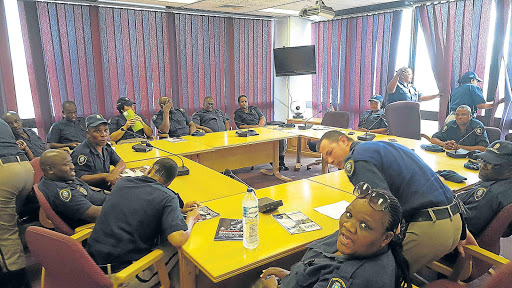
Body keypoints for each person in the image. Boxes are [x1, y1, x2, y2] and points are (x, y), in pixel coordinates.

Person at [317, 130, 464, 274]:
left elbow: (381, 207)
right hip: (454, 225)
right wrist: (464, 233)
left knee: (369, 275)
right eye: (325, 158)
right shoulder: (380, 147)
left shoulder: (357, 159)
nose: (330, 161)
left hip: (430, 230)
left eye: (330, 153)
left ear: (343, 141)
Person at [259, 188, 410, 288]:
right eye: (349, 215)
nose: (349, 226)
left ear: (386, 238)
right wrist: (294, 277)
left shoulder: (347, 279)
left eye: (364, 225)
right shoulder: (358, 242)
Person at [86, 158, 201, 288]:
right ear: (169, 183)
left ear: (150, 169)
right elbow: (178, 239)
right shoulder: (168, 197)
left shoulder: (122, 183)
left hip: (91, 267)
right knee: (177, 248)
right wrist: (190, 219)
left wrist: (179, 210)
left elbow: (139, 205)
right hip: (122, 276)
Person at [0, 118, 34, 288]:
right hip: (24, 168)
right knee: (12, 224)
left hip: (4, 171)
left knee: (4, 233)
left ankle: (17, 283)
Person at [38, 149, 108, 229]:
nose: (73, 167)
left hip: (108, 204)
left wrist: (116, 194)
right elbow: (96, 215)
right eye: (67, 164)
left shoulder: (62, 177)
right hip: (102, 225)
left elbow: (90, 189)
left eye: (71, 162)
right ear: (50, 170)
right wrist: (120, 203)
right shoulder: (62, 192)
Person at [456, 140, 512, 237]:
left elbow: (464, 226)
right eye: (483, 160)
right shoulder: (497, 181)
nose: (482, 165)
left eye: (492, 163)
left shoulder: (490, 193)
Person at [71, 114, 126, 191]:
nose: (103, 135)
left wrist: (114, 176)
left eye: (106, 130)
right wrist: (105, 176)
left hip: (107, 187)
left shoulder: (105, 146)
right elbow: (79, 178)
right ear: (88, 133)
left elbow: (121, 163)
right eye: (98, 131)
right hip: (92, 191)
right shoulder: (81, 152)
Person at [234, 95, 288, 171]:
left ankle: (281, 161)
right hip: (252, 131)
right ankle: (274, 163)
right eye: (242, 102)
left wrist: (260, 125)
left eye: (245, 101)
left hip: (263, 127)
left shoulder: (254, 108)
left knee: (281, 138)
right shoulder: (237, 113)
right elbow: (240, 126)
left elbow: (262, 117)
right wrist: (254, 127)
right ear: (239, 103)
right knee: (267, 142)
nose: (244, 103)